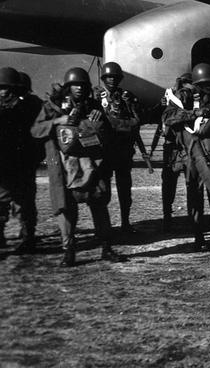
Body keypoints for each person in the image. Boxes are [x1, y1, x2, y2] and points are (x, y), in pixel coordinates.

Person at [31, 67, 126, 266]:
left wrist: (97, 122)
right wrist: (59, 120)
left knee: (99, 204)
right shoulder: (52, 106)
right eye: (75, 85)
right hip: (63, 167)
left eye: (82, 85)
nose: (79, 89)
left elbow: (108, 134)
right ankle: (69, 251)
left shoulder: (94, 106)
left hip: (91, 164)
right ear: (68, 87)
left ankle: (106, 248)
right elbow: (36, 130)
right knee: (65, 209)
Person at [162, 63, 210, 251]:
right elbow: (168, 117)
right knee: (195, 195)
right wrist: (194, 113)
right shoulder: (184, 95)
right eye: (205, 84)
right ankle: (198, 237)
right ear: (197, 83)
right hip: (191, 152)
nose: (209, 87)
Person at [95, 61, 148, 233]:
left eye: (115, 77)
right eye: (108, 77)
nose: (112, 80)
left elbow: (137, 120)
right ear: (103, 78)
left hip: (123, 150)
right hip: (105, 151)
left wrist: (118, 123)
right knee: (103, 191)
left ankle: (125, 223)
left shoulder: (127, 97)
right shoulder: (97, 98)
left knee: (124, 190)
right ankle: (104, 227)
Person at [0, 68, 38, 253]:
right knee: (1, 203)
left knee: (25, 204)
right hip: (3, 167)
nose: (2, 91)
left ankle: (28, 238)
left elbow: (35, 139)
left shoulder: (27, 109)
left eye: (6, 88)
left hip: (23, 165)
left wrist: (33, 160)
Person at [12, 70, 42, 253]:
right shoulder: (34, 104)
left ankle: (27, 235)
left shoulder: (29, 105)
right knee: (24, 200)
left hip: (24, 160)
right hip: (20, 160)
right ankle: (26, 234)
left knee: (25, 201)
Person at [160, 73, 193, 231]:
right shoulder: (176, 98)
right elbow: (168, 118)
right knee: (172, 183)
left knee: (184, 183)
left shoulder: (173, 97)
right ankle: (168, 217)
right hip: (174, 147)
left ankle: (180, 217)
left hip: (179, 145)